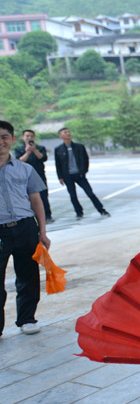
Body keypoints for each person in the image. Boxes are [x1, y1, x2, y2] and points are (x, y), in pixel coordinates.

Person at [0, 120, 51, 336]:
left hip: (25, 228)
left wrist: (42, 231)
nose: (1, 141)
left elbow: (36, 200)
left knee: (28, 276)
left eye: (4, 136)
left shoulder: (25, 169)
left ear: (12, 140)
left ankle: (27, 319)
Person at [54, 127, 109, 220]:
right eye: (65, 132)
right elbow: (58, 164)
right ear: (60, 135)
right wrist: (60, 177)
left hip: (80, 175)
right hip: (67, 176)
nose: (68, 133)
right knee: (73, 196)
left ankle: (102, 210)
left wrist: (84, 171)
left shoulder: (79, 146)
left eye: (68, 131)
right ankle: (79, 213)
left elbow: (85, 159)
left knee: (90, 193)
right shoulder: (58, 149)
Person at [14, 129, 53, 223]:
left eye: (31, 136)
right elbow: (19, 161)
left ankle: (47, 216)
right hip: (24, 177)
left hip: (40, 175)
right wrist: (27, 152)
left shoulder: (40, 148)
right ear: (23, 137)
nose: (29, 138)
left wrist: (34, 149)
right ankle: (33, 216)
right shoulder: (19, 149)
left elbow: (43, 158)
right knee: (27, 197)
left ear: (34, 138)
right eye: (27, 136)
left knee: (43, 196)